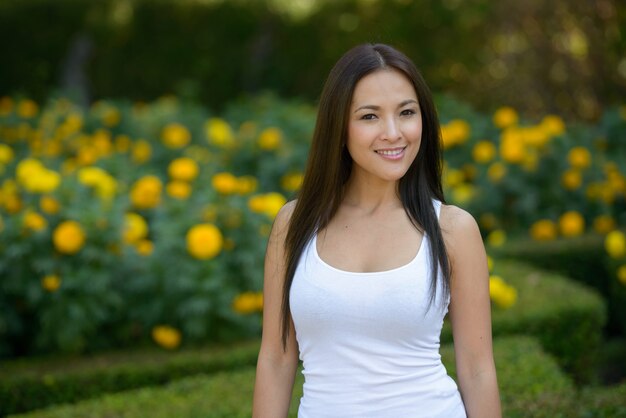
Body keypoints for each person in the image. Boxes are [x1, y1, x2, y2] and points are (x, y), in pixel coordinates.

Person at [252, 43, 501, 418]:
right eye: (369, 117)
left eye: (406, 113)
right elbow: (275, 359)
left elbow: (477, 370)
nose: (393, 132)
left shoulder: (453, 229)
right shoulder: (294, 224)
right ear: (338, 126)